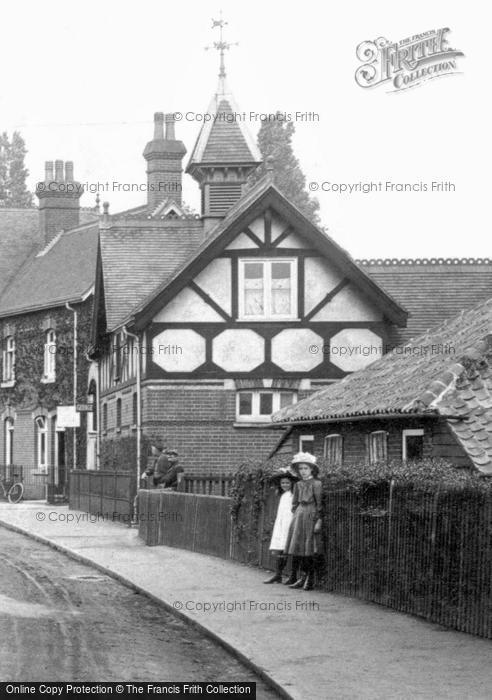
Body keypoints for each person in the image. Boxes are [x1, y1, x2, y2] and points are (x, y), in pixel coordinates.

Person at [284, 452, 322, 591]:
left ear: (312, 469)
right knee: (299, 548)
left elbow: (319, 504)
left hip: (311, 515)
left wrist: (318, 519)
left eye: (306, 468)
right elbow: (294, 504)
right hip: (299, 515)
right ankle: (301, 577)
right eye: (301, 469)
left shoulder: (317, 484)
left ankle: (309, 579)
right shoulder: (298, 484)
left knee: (309, 548)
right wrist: (298, 514)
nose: (303, 471)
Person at [263, 468, 298, 584]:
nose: (285, 485)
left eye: (287, 482)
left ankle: (293, 575)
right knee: (280, 548)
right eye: (283, 483)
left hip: (290, 523)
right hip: (281, 524)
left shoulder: (294, 494)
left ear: (292, 483)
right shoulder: (283, 495)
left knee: (290, 549)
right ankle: (278, 574)